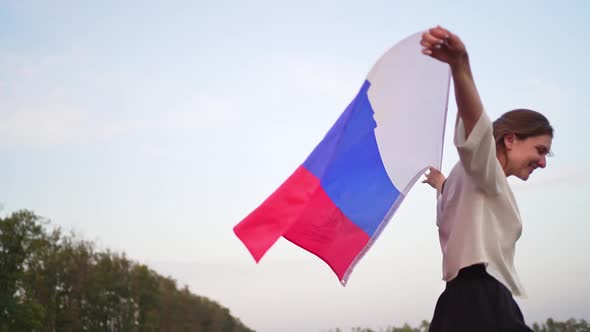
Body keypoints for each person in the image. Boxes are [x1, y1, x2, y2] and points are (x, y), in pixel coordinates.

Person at [420, 26, 554, 331]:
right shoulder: (484, 168)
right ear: (510, 140)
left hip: (455, 304)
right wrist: (460, 66)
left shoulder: (465, 177)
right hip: (482, 300)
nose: (543, 162)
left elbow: (455, 203)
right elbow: (477, 127)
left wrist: (439, 183)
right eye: (540, 150)